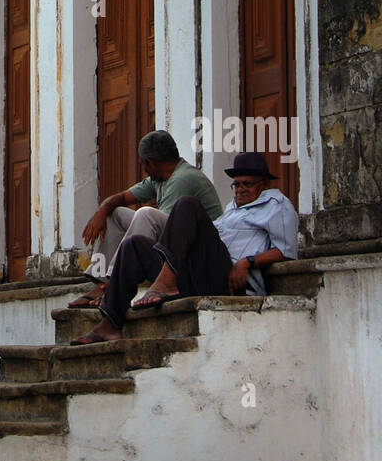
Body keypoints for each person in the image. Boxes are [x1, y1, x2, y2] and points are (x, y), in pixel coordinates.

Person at [71, 151, 299, 344]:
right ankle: (110, 322)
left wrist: (247, 262)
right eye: (236, 184)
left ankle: (167, 282)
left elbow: (286, 251)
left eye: (247, 184)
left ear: (265, 184)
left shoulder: (277, 205)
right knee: (135, 245)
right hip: (201, 273)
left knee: (187, 204)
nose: (240, 189)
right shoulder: (233, 208)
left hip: (231, 279)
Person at [69, 130, 222, 309]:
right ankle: (102, 282)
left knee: (145, 214)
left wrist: (149, 209)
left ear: (150, 163)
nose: (144, 168)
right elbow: (123, 198)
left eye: (144, 164)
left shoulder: (182, 179)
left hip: (200, 254)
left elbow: (169, 235)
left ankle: (115, 282)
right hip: (176, 246)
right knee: (115, 213)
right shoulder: (160, 178)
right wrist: (102, 210)